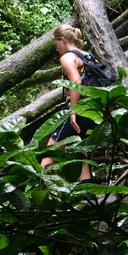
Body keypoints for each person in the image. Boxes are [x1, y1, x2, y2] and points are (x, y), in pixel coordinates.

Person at [40, 25, 99, 182]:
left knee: (50, 152)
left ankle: (39, 190)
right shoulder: (88, 56)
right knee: (79, 152)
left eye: (56, 44)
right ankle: (88, 194)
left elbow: (76, 81)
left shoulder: (67, 58)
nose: (56, 48)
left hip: (79, 109)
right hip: (94, 110)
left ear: (62, 40)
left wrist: (73, 112)